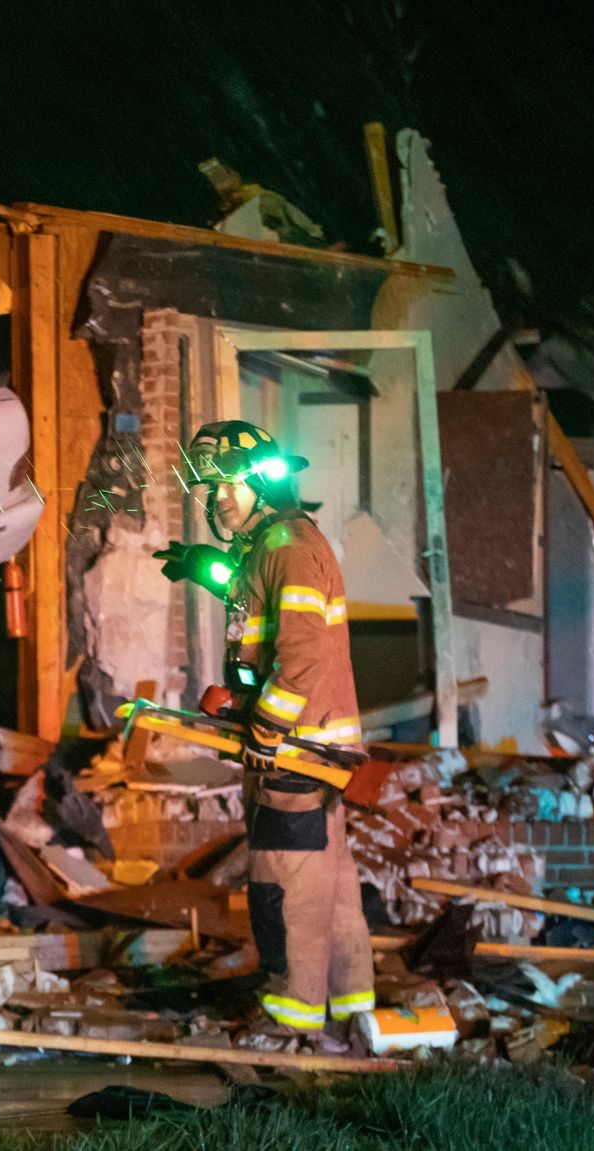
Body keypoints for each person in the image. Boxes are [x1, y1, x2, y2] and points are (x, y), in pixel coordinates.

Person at [153, 420, 374, 1048]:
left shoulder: (286, 546)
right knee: (330, 888)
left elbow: (300, 653)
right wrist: (205, 567)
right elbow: (254, 599)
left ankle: (291, 1020)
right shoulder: (273, 544)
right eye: (211, 488)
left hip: (296, 748)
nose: (217, 497)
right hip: (314, 746)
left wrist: (269, 728)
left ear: (260, 483)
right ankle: (353, 1008)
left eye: (229, 484)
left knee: (285, 886)